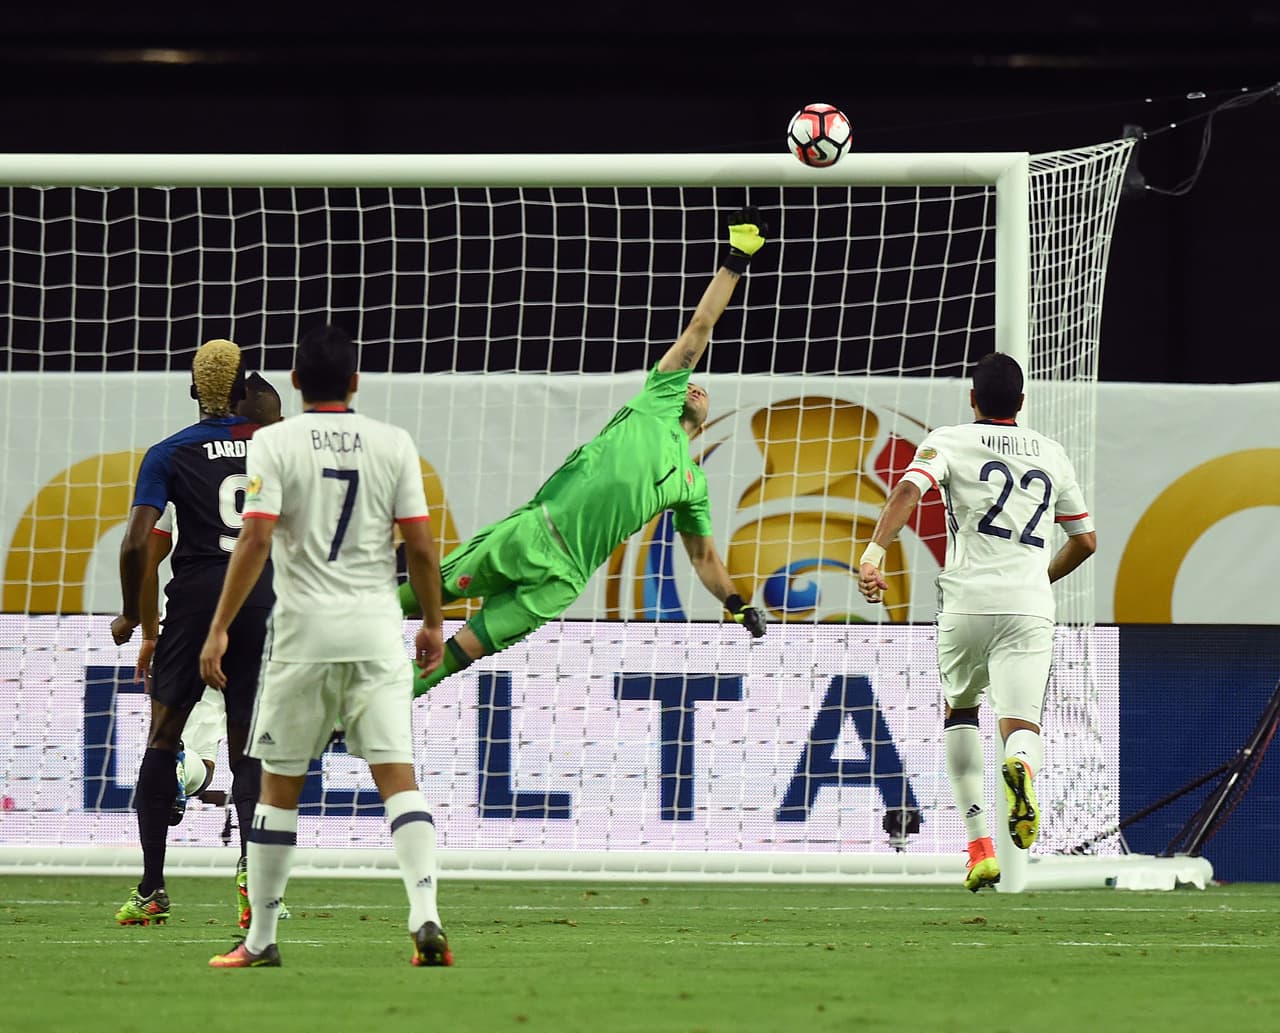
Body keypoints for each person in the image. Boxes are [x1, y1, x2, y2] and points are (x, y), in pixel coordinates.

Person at [402, 206, 769, 697]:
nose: (698, 388)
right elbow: (702, 325)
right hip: (532, 534)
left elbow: (703, 556)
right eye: (692, 382)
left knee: (461, 652)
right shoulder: (658, 399)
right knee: (409, 599)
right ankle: (322, 647)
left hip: (565, 579)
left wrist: (735, 601)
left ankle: (360, 718)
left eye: (705, 391)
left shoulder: (692, 484)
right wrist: (735, 261)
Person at [200, 325, 449, 969]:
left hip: (304, 635)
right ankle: (425, 915)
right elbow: (420, 546)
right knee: (398, 777)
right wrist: (430, 622)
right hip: (374, 633)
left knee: (280, 788)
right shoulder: (393, 443)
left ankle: (260, 940)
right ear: (357, 381)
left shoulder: (274, 442)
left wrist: (221, 625)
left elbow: (254, 542)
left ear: (296, 382)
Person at [857, 352, 1097, 892]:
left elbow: (906, 492)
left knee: (960, 709)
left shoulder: (950, 440)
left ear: (972, 400)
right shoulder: (1052, 453)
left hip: (965, 603)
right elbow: (1085, 541)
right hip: (1028, 607)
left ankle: (979, 847)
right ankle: (1021, 769)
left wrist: (873, 554)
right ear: (1022, 402)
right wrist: (1038, 580)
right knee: (1022, 726)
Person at [110, 343, 275, 927]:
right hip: (260, 600)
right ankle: (253, 875)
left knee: (163, 738)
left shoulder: (169, 452)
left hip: (195, 599)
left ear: (193, 392)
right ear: (242, 394)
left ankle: (152, 888)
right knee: (247, 743)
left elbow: (137, 542)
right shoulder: (273, 445)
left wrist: (134, 613)